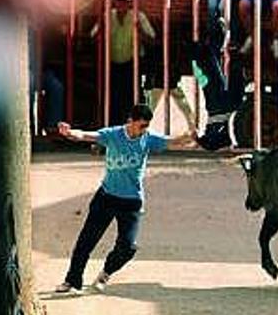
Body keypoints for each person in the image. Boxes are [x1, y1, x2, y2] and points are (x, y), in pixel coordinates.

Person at [54, 104, 197, 293]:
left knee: (128, 247)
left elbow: (172, 141)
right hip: (106, 197)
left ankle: (105, 273)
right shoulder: (113, 135)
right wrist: (70, 132)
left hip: (131, 202)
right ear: (130, 121)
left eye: (146, 126)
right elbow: (88, 135)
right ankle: (72, 281)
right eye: (141, 126)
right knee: (86, 241)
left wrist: (191, 135)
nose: (143, 130)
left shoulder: (148, 139)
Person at [90, 0, 160, 126]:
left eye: (124, 1)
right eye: (119, 1)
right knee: (113, 98)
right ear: (115, 2)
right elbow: (93, 38)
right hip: (112, 64)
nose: (121, 4)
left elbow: (152, 40)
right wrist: (102, 28)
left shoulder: (138, 16)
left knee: (133, 97)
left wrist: (140, 30)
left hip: (132, 64)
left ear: (129, 3)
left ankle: (136, 128)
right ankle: (114, 129)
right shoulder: (108, 16)